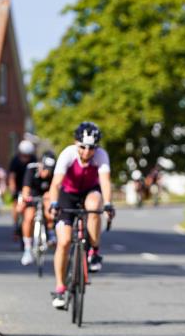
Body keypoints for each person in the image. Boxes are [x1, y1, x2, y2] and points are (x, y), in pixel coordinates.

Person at [47, 122, 115, 309]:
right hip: (67, 194)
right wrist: (54, 203)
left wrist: (108, 204)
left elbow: (105, 182)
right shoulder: (67, 154)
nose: (86, 152)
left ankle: (94, 251)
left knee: (94, 207)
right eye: (82, 147)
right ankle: (60, 287)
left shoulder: (101, 156)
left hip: (89, 191)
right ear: (75, 143)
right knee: (64, 241)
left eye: (91, 148)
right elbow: (55, 184)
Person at [18, 151, 56, 266]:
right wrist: (25, 198)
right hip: (33, 195)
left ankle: (51, 233)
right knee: (28, 217)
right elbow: (26, 188)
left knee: (50, 209)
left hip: (47, 195)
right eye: (45, 169)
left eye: (49, 170)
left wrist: (50, 195)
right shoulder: (31, 169)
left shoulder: (55, 172)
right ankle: (28, 249)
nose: (46, 173)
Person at [9, 140, 37, 241]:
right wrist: (13, 190)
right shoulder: (15, 161)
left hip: (30, 187)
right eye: (24, 155)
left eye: (27, 156)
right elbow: (12, 176)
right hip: (18, 186)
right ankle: (16, 225)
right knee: (16, 204)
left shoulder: (34, 160)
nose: (25, 158)